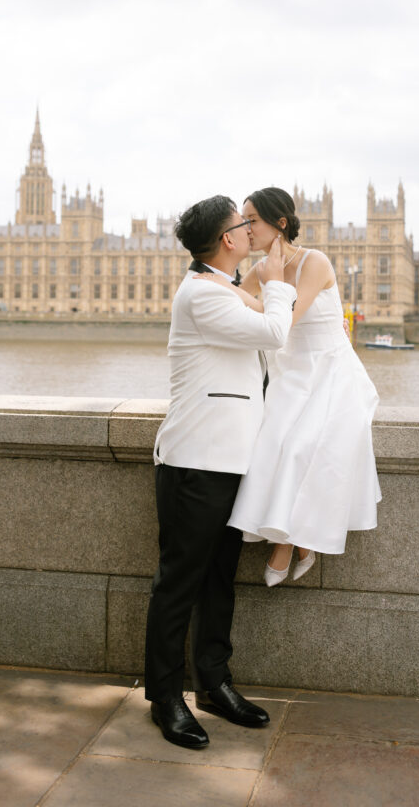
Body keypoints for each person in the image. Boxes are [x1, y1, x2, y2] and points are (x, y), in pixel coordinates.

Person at [144, 194, 296, 750]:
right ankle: (165, 698)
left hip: (234, 462)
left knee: (218, 581)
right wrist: (276, 280)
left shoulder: (226, 289)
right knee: (178, 584)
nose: (250, 230)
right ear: (228, 240)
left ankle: (213, 684)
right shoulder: (203, 295)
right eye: (243, 224)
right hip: (195, 463)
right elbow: (275, 331)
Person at [197, 187, 380, 586]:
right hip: (290, 374)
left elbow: (283, 324)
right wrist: (214, 284)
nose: (245, 227)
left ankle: (288, 542)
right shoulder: (263, 270)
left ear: (280, 223)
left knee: (303, 445)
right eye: (242, 220)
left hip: (331, 371)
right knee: (268, 444)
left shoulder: (314, 262)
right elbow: (237, 306)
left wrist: (268, 283)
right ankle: (299, 541)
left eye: (252, 220)